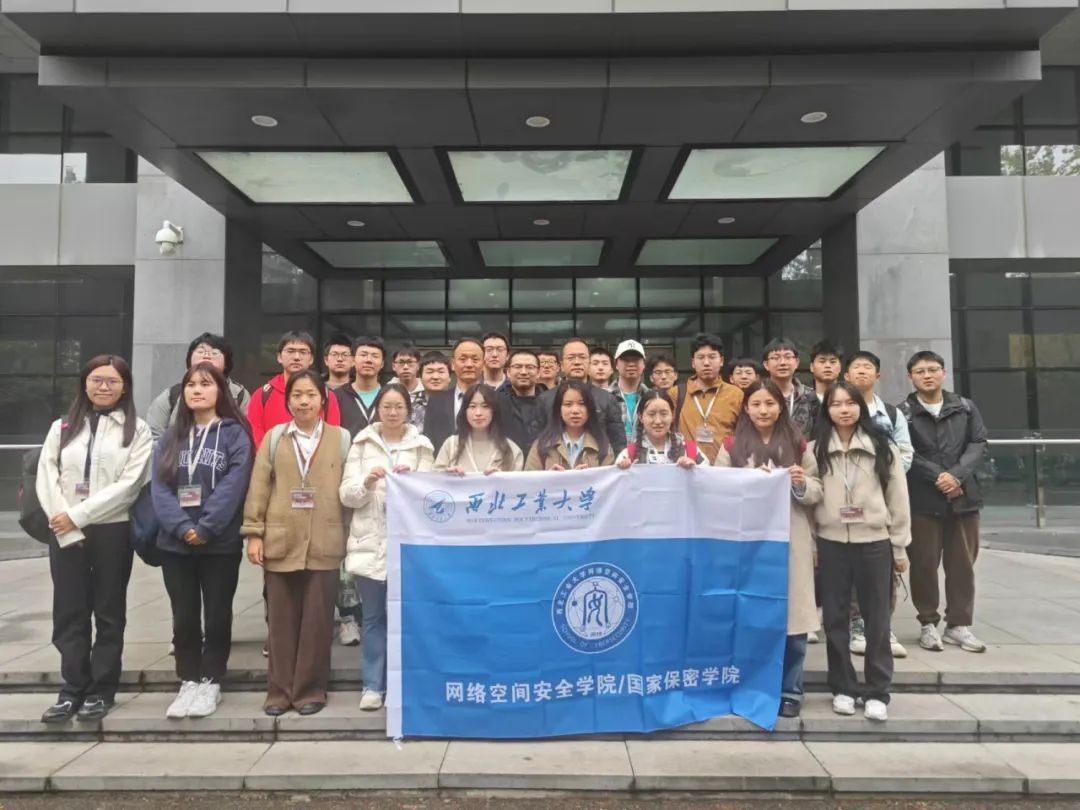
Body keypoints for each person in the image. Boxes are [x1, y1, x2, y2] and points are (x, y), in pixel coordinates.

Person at [37, 355, 153, 723]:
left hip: (111, 530)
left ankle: (102, 690)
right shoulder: (62, 427)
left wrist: (79, 515)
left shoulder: (137, 430)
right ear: (85, 383)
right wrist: (64, 518)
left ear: (125, 387)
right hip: (64, 529)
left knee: (108, 611)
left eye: (112, 381)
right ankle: (71, 689)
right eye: (97, 380)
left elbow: (130, 485)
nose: (104, 387)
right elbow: (47, 475)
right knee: (69, 611)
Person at [241, 370, 350, 717]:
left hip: (325, 539)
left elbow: (349, 491)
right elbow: (259, 486)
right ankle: (279, 691)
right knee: (281, 622)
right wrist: (254, 533)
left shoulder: (341, 438)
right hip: (281, 538)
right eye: (297, 395)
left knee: (317, 623)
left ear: (323, 400)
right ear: (287, 400)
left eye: (311, 395)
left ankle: (309, 691)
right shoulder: (275, 438)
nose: (304, 402)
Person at [151, 363, 253, 719]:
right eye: (191, 384)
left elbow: (235, 485)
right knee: (183, 614)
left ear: (220, 391)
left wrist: (206, 526)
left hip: (219, 543)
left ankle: (211, 680)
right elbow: (159, 488)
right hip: (174, 544)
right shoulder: (171, 436)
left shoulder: (235, 434)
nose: (197, 390)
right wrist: (182, 527)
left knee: (217, 613)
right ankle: (188, 679)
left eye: (206, 384)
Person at [712, 380, 819, 717]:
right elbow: (716, 490)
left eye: (769, 404)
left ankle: (790, 689)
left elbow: (817, 489)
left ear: (780, 406)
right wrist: (747, 482)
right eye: (756, 404)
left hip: (790, 540)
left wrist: (801, 483)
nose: (763, 410)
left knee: (792, 621)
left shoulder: (799, 444)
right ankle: (746, 684)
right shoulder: (732, 446)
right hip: (748, 545)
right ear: (746, 408)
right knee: (749, 615)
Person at [811, 381, 911, 722]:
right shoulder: (815, 449)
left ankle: (877, 690)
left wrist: (899, 545)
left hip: (874, 542)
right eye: (836, 404)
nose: (844, 410)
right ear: (827, 410)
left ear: (860, 407)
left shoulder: (882, 447)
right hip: (831, 542)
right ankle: (842, 687)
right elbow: (810, 497)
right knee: (835, 619)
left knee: (877, 618)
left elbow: (898, 498)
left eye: (850, 403)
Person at [341, 384, 435, 711]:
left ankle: (402, 684)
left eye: (399, 406)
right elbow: (346, 495)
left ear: (408, 410)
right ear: (377, 410)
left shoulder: (422, 446)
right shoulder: (361, 443)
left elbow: (433, 497)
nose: (393, 412)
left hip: (409, 546)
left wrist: (413, 481)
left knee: (407, 618)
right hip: (370, 542)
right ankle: (372, 685)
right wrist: (367, 482)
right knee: (373, 618)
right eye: (386, 406)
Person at [899, 351, 989, 655]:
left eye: (932, 369)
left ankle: (958, 625)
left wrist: (957, 476)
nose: (927, 375)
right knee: (923, 564)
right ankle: (928, 623)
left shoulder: (965, 407)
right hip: (922, 500)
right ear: (910, 377)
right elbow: (904, 451)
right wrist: (939, 476)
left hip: (963, 499)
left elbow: (978, 443)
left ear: (943, 372)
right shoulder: (903, 413)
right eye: (920, 371)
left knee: (962, 564)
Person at [843, 349, 914, 660]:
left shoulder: (891, 414)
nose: (862, 371)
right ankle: (856, 623)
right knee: (850, 567)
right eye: (856, 367)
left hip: (880, 498)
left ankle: (883, 625)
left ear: (878, 375)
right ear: (846, 375)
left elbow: (905, 452)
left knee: (882, 567)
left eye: (868, 367)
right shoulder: (836, 410)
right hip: (844, 501)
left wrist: (882, 477)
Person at [529, 339, 627, 457]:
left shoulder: (607, 399)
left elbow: (618, 443)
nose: (577, 362)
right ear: (561, 366)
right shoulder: (544, 399)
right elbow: (535, 440)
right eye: (571, 358)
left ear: (589, 363)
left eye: (582, 357)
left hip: (598, 464)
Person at [145, 333, 252, 440]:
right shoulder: (172, 395)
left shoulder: (240, 395)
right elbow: (153, 436)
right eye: (200, 352)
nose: (206, 356)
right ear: (189, 360)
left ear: (226, 363)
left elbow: (247, 436)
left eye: (214, 353)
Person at [247, 331, 341, 448]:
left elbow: (332, 438)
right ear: (279, 357)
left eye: (303, 352)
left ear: (311, 359)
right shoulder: (262, 395)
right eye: (290, 351)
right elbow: (255, 437)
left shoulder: (326, 395)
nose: (296, 357)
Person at [424, 338, 512, 455]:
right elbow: (428, 444)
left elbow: (506, 441)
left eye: (475, 359)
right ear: (453, 364)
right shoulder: (436, 402)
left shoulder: (500, 401)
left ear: (483, 364)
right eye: (463, 359)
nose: (469, 364)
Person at [669, 333, 743, 464]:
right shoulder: (676, 394)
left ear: (721, 361)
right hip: (688, 467)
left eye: (712, 357)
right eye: (701, 357)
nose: (706, 362)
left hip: (725, 469)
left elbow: (744, 435)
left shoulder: (736, 394)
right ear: (693, 362)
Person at [525, 380, 614, 471]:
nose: (575, 411)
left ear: (590, 408)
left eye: (581, 404)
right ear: (559, 409)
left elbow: (609, 478)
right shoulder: (541, 445)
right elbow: (529, 478)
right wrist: (549, 476)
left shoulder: (603, 446)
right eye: (568, 404)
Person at [435, 383, 523, 473]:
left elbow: (519, 481)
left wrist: (501, 479)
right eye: (472, 406)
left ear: (494, 410)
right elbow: (434, 479)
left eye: (485, 406)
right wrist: (447, 475)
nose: (478, 413)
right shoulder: (451, 445)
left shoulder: (512, 450)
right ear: (465, 411)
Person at [614, 389, 708, 468]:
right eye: (651, 414)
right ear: (640, 416)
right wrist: (624, 473)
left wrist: (695, 470)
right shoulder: (627, 455)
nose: (658, 421)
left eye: (664, 414)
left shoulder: (691, 451)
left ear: (673, 415)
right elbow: (615, 482)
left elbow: (709, 479)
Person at [762, 338, 817, 436]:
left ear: (797, 362)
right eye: (776, 358)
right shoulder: (756, 396)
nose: (782, 362)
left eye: (788, 357)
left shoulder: (811, 396)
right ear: (766, 364)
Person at [334, 336, 384, 439]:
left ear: (382, 364)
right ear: (353, 360)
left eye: (375, 356)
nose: (368, 360)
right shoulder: (336, 396)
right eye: (363, 355)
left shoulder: (389, 395)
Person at [500, 349, 544, 453]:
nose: (523, 372)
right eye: (518, 367)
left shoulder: (550, 403)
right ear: (508, 372)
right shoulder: (496, 403)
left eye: (530, 367)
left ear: (538, 373)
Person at [610, 339, 650, 447]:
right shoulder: (605, 397)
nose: (631, 364)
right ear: (616, 364)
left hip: (643, 455)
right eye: (625, 360)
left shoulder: (652, 398)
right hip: (614, 455)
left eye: (636, 359)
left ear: (644, 364)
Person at [390, 346, 425, 419]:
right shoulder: (387, 392)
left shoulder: (428, 391)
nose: (405, 367)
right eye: (401, 362)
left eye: (410, 362)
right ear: (393, 366)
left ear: (418, 365)